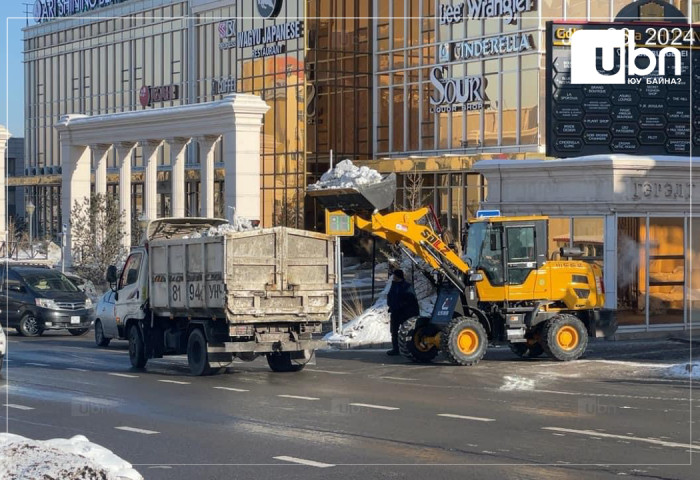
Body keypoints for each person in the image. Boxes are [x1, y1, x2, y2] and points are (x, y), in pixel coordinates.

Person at [386, 269, 420, 356]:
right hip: (395, 311)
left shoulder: (407, 286)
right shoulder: (393, 285)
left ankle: (409, 347)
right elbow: (390, 296)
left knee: (407, 331)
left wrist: (401, 305)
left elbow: (411, 299)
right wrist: (390, 305)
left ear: (398, 276)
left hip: (405, 312)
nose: (393, 277)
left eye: (394, 275)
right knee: (394, 331)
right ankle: (395, 349)